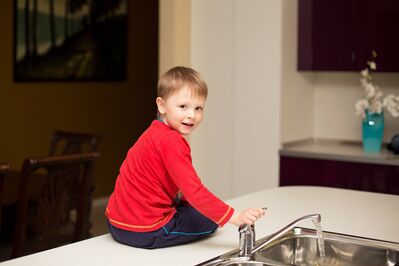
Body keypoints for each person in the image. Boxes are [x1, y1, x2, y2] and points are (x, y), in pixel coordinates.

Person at [106, 66, 265, 249]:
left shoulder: (153, 132)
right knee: (210, 221)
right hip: (146, 230)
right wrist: (236, 217)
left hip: (116, 223)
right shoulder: (172, 141)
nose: (192, 115)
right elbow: (193, 191)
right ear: (162, 105)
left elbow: (177, 187)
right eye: (183, 107)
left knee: (201, 210)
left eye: (199, 108)